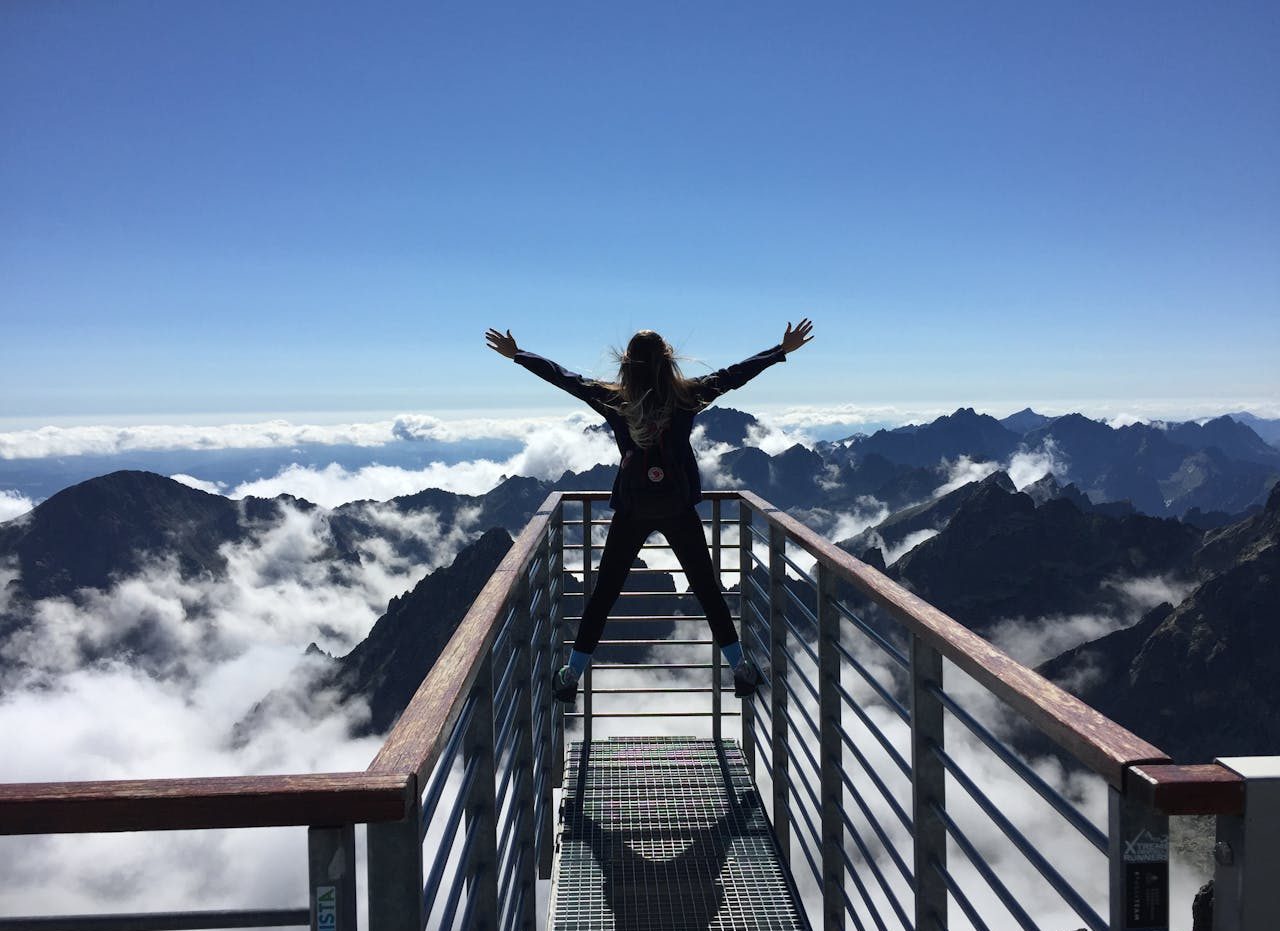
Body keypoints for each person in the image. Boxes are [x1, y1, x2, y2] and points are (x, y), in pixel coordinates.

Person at [484, 320, 814, 705]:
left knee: (604, 592)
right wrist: (780, 350)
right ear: (668, 360)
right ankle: (740, 667)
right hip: (677, 507)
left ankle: (571, 673)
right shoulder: (688, 397)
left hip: (632, 509)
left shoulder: (613, 400)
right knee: (707, 589)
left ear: (627, 364)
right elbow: (734, 375)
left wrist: (519, 355)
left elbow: (564, 378)